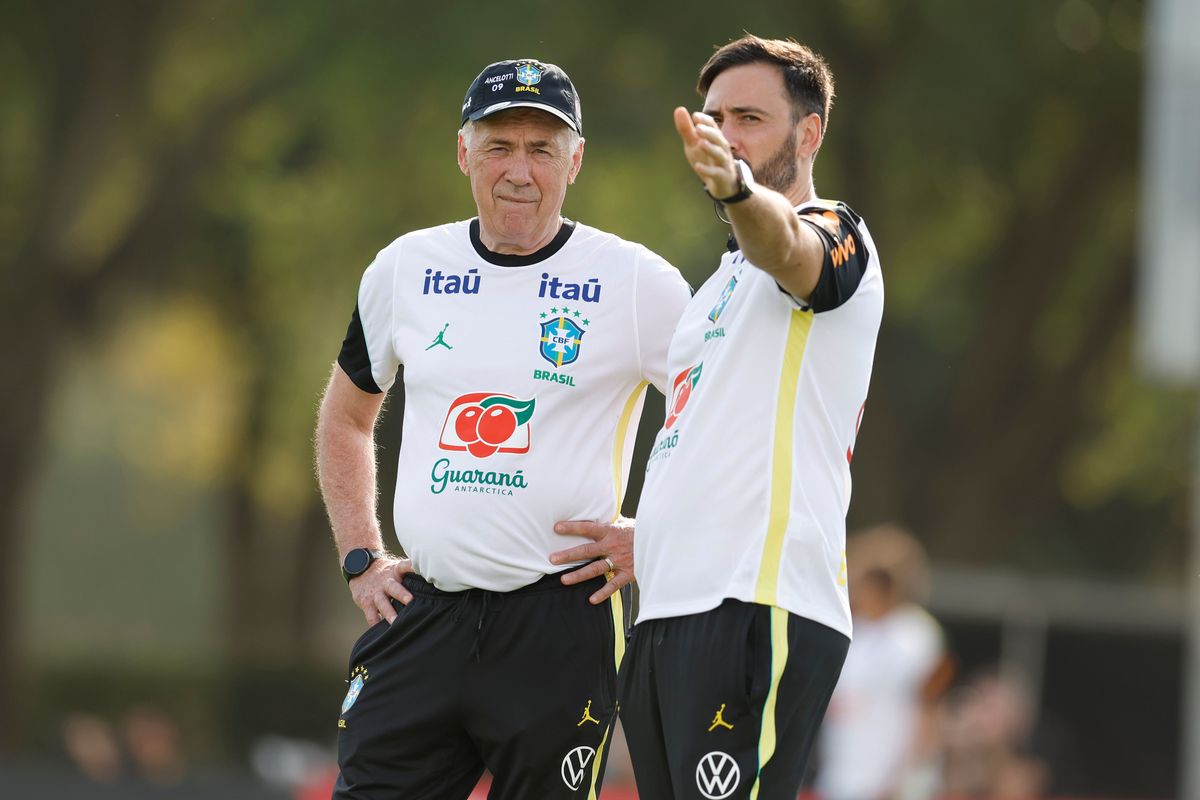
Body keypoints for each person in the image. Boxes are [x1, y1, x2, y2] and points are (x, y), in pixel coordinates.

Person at [315, 58, 691, 799]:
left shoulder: (638, 283)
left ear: (574, 161)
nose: (519, 170)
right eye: (498, 146)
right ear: (463, 153)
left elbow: (718, 422)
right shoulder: (404, 268)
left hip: (563, 618)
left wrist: (659, 535)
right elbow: (346, 417)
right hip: (422, 612)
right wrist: (362, 555)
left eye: (541, 149)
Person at [613, 34, 885, 799]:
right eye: (713, 118)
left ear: (809, 133)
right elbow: (712, 437)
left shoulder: (834, 232)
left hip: (756, 605)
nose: (725, 134)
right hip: (668, 608)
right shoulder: (718, 286)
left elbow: (792, 248)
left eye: (749, 118)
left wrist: (738, 192)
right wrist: (653, 533)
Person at [816, 525, 954, 800]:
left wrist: (909, 781)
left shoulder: (921, 635)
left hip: (891, 789)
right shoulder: (854, 635)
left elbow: (932, 712)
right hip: (840, 784)